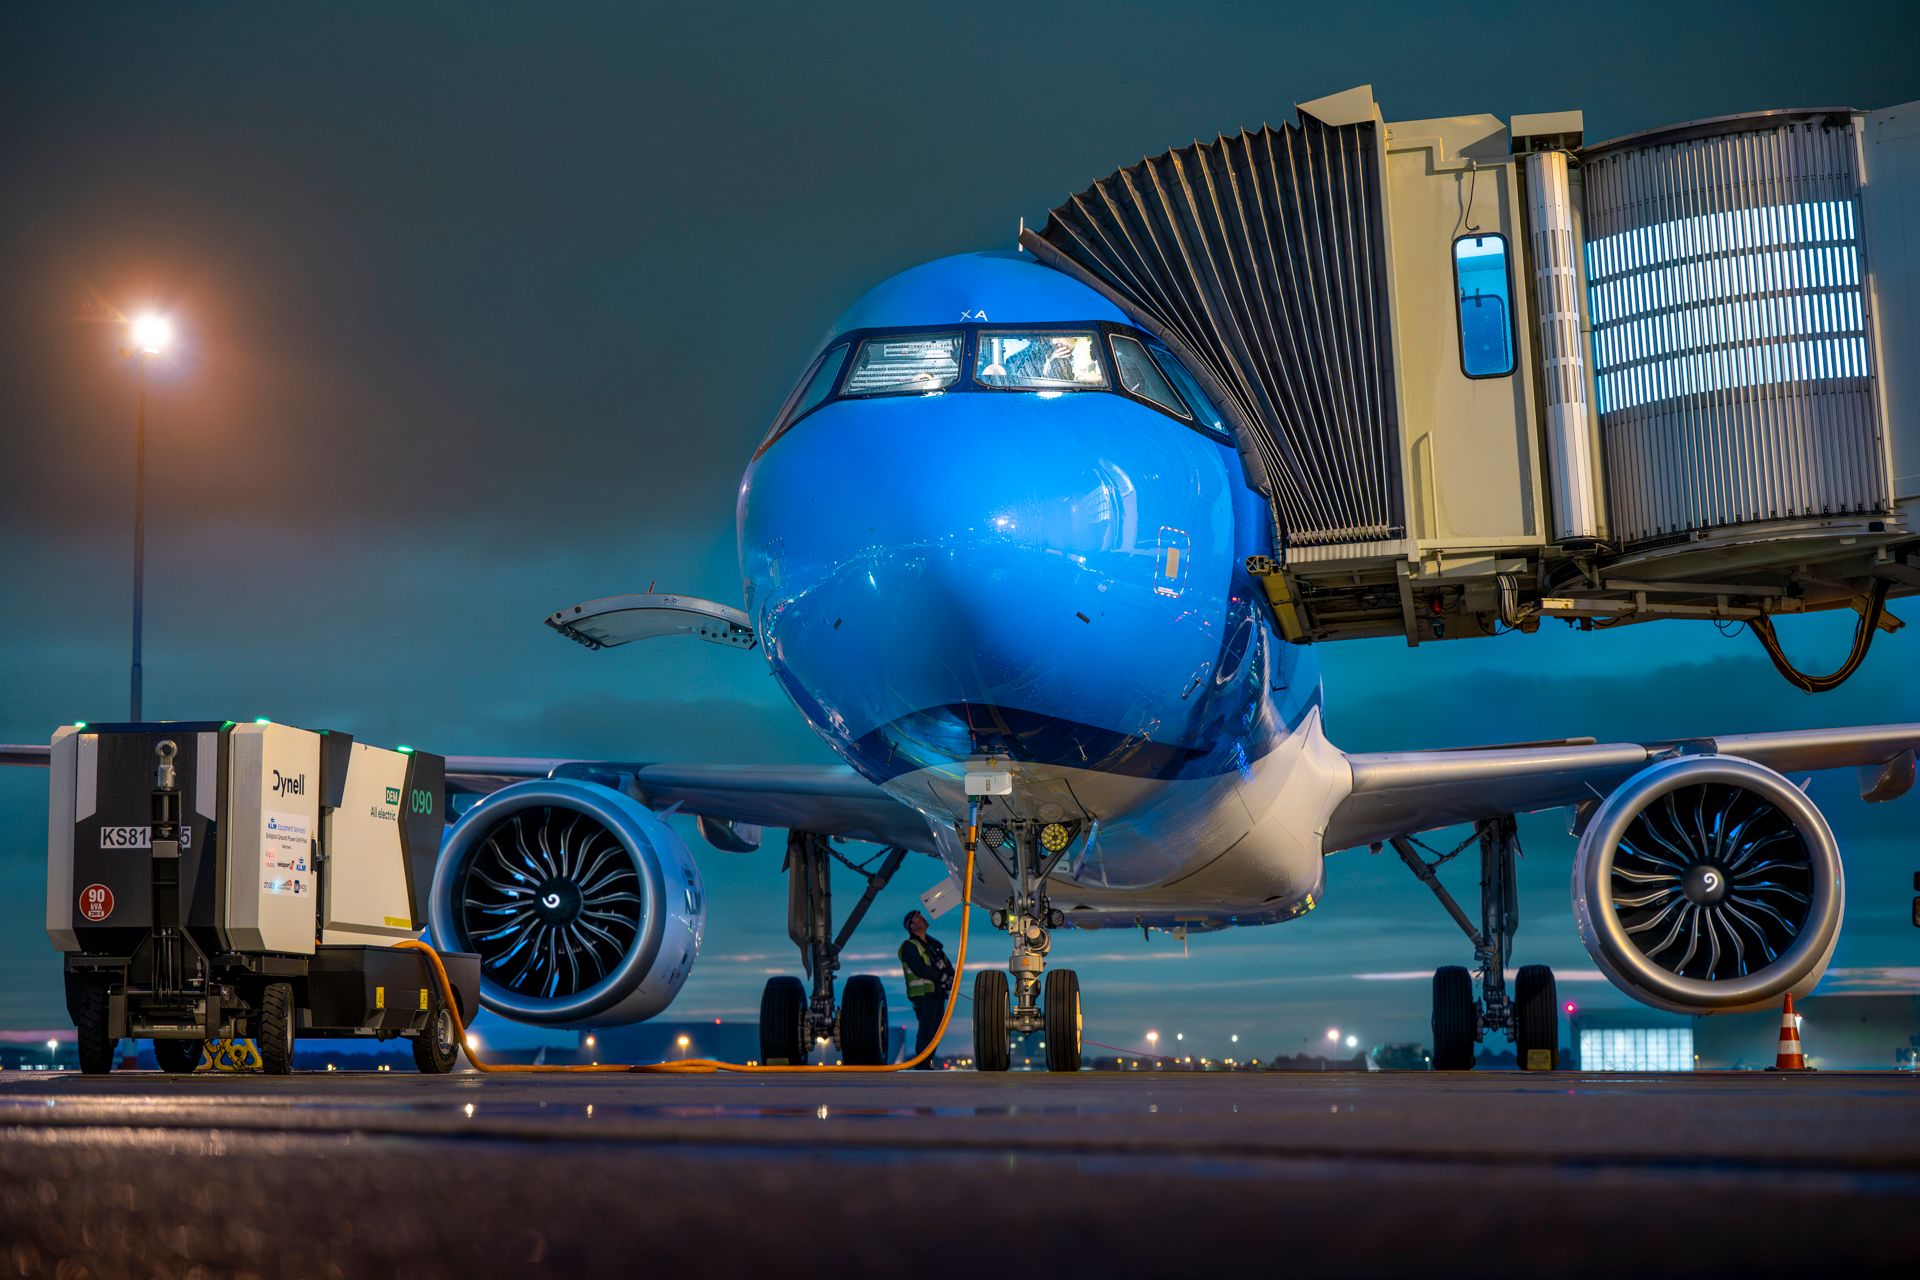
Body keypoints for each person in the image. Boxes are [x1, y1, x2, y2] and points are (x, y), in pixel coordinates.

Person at [898, 910, 953, 1068]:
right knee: (927, 1031)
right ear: (912, 926)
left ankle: (926, 1063)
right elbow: (920, 969)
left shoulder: (934, 947)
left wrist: (949, 978)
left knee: (935, 1033)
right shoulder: (909, 947)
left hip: (937, 994)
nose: (923, 919)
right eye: (919, 918)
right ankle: (921, 1065)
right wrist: (941, 977)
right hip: (923, 995)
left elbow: (947, 967)